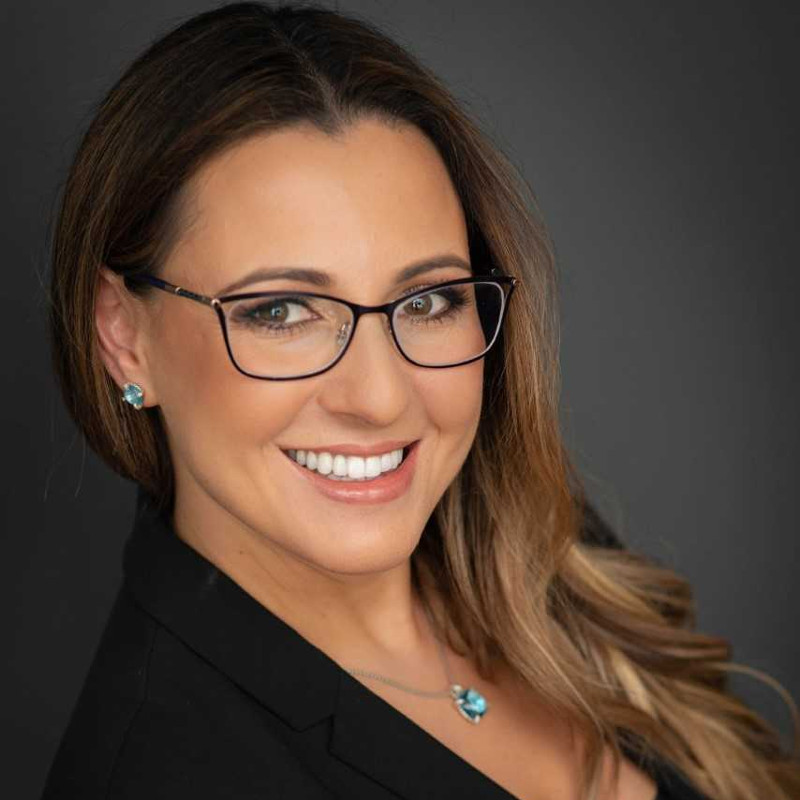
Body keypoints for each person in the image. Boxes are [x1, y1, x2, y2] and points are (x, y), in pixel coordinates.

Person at [41, 3, 799, 799]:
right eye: (281, 311)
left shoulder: (538, 552)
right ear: (124, 335)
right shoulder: (161, 772)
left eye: (430, 300)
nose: (379, 397)